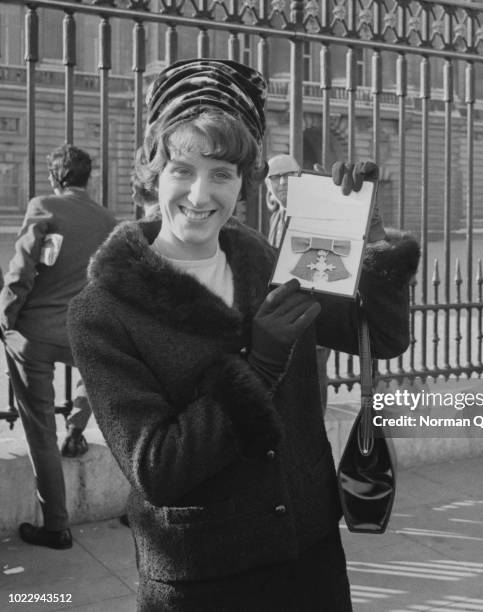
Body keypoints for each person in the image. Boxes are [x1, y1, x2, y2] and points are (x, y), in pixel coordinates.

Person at [67, 58, 420, 611]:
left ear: (244, 183)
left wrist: (369, 245)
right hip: (204, 577)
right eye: (182, 169)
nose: (200, 194)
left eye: (223, 173)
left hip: (310, 559)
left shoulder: (266, 257)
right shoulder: (105, 308)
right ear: (152, 174)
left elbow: (382, 337)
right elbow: (156, 468)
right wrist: (258, 367)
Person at [0, 144, 116, 549]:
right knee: (92, 372)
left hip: (33, 336)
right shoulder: (107, 220)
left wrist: (5, 315)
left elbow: (22, 269)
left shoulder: (44, 206)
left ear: (54, 178)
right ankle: (76, 427)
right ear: (90, 178)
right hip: (80, 333)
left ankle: (56, 526)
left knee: (37, 431)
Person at [265, 153, 331, 414]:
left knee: (313, 384)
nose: (281, 182)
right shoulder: (275, 217)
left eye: (288, 175)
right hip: (283, 315)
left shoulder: (314, 214)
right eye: (275, 177)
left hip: (310, 312)